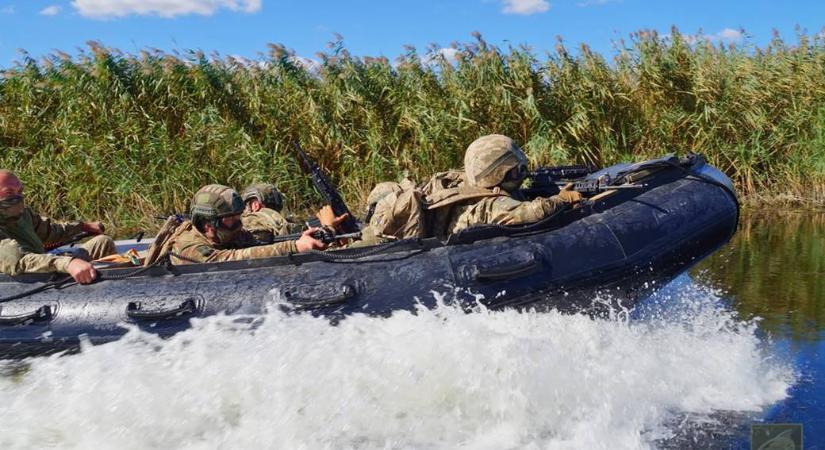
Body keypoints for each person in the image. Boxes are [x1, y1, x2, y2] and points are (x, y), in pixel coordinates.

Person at [425, 134, 582, 239]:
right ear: (498, 173)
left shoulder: (467, 187)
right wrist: (563, 199)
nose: (521, 175)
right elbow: (535, 212)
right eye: (516, 170)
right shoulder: (489, 205)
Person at [159, 184, 327, 265]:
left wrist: (315, 237)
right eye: (230, 219)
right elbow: (230, 259)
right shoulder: (189, 247)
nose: (238, 224)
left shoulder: (227, 235)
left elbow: (260, 241)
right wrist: (294, 247)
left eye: (238, 217)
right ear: (208, 224)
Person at [0, 169, 116, 284]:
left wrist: (83, 226)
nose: (17, 197)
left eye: (20, 192)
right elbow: (18, 261)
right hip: (23, 277)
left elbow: (49, 231)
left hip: (45, 265)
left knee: (103, 242)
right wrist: (68, 263)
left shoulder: (24, 213)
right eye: (9, 192)